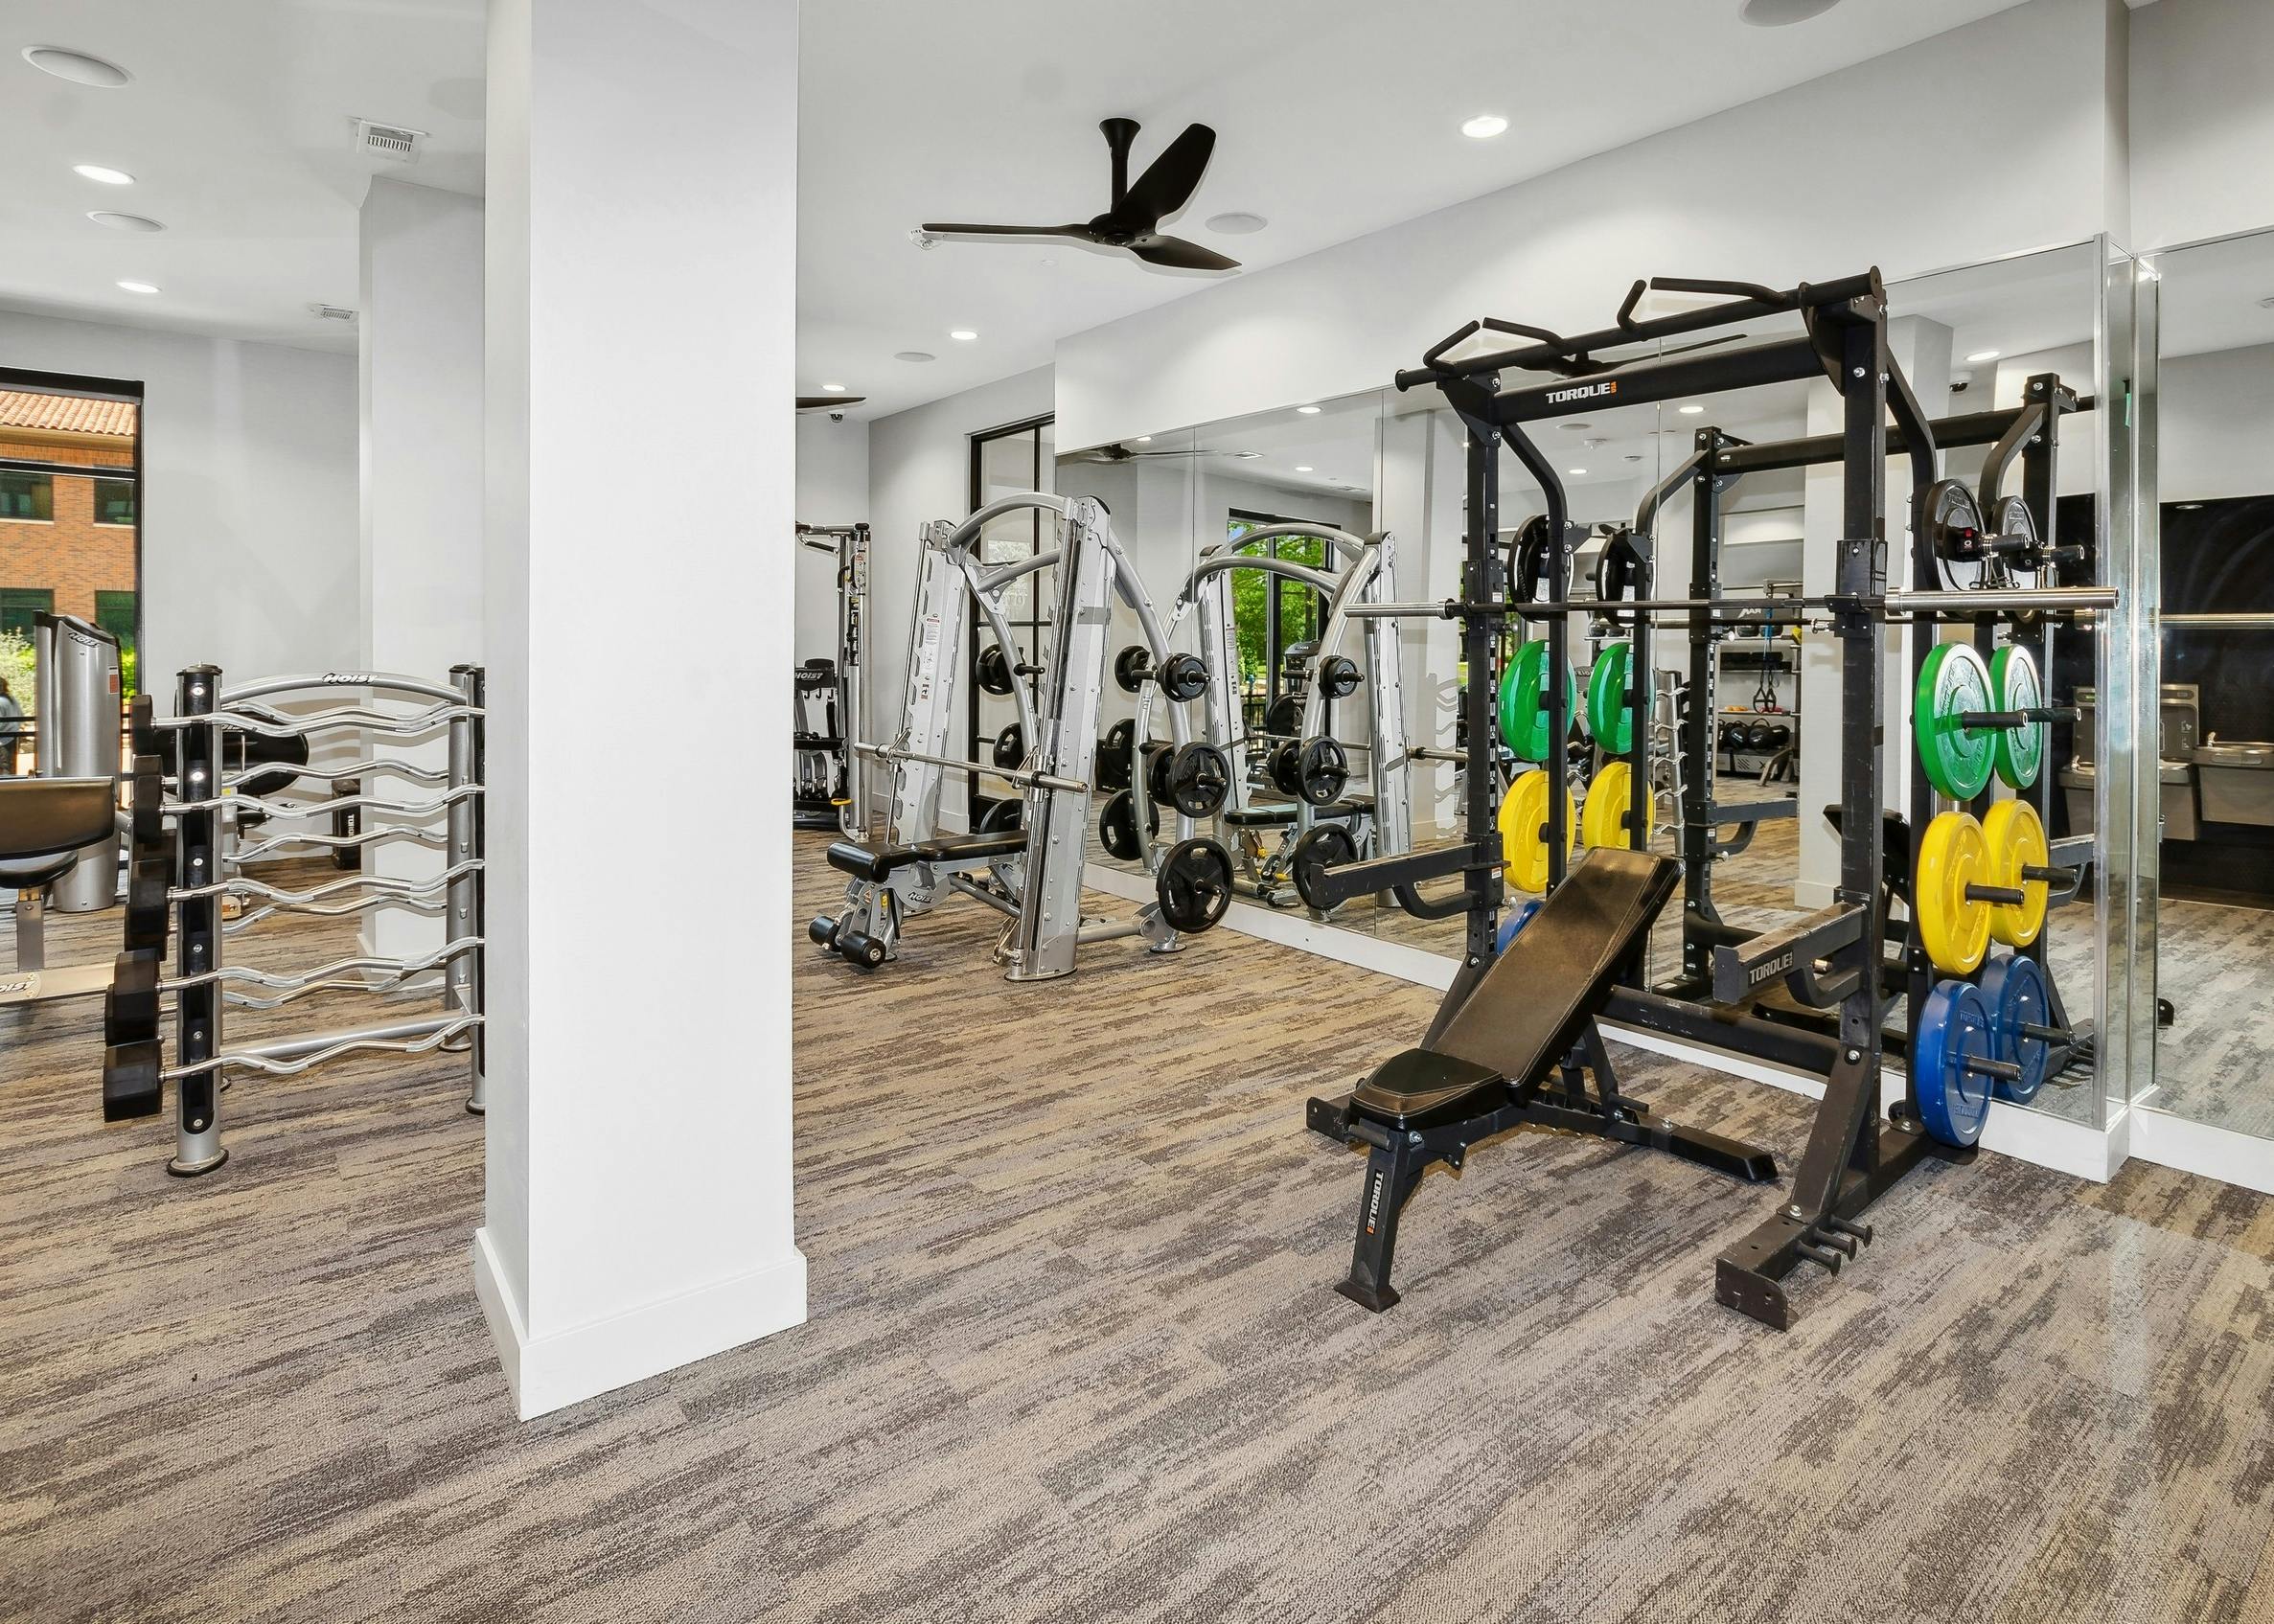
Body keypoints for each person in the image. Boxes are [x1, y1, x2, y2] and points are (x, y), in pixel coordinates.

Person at [0, 676, 22, 776]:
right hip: (13, 737)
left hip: (3, 740)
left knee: (4, 767)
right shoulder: (11, 699)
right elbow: (20, 715)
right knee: (11, 766)